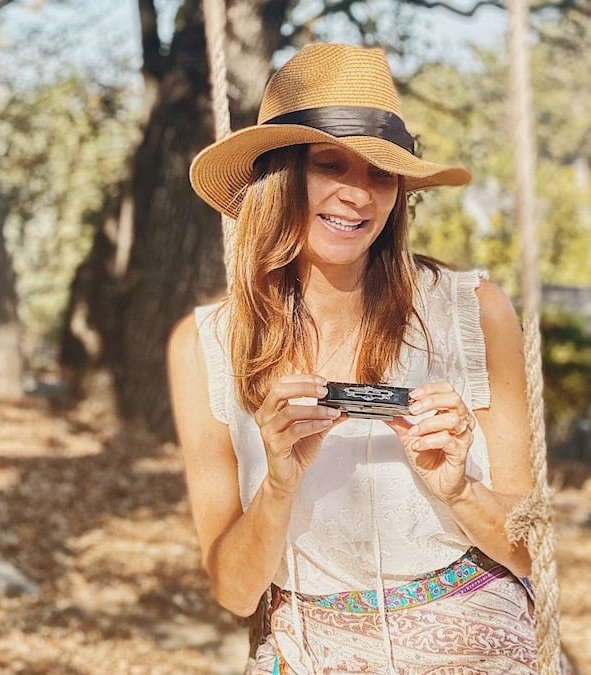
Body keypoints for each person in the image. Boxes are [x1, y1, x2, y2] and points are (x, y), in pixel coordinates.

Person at [167, 43, 542, 674]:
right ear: (276, 176)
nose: (358, 195)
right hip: (309, 652)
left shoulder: (470, 310)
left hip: (479, 640)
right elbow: (234, 592)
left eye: (379, 172)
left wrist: (459, 488)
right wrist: (279, 485)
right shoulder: (207, 344)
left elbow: (535, 555)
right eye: (329, 164)